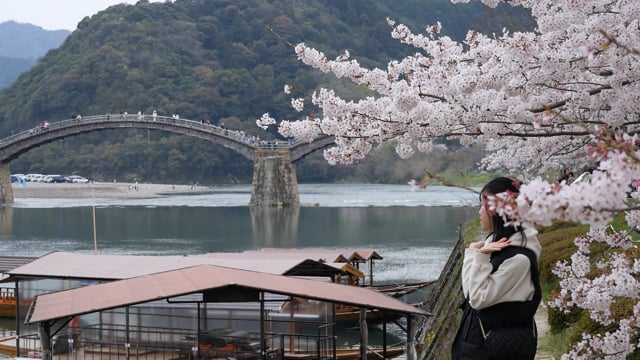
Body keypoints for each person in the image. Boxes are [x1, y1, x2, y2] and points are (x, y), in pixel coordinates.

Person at [451, 176, 542, 360]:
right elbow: (468, 292)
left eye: (483, 207)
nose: (479, 212)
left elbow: (477, 299)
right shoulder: (495, 243)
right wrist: (473, 253)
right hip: (476, 345)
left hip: (493, 349)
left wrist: (480, 256)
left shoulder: (519, 259)